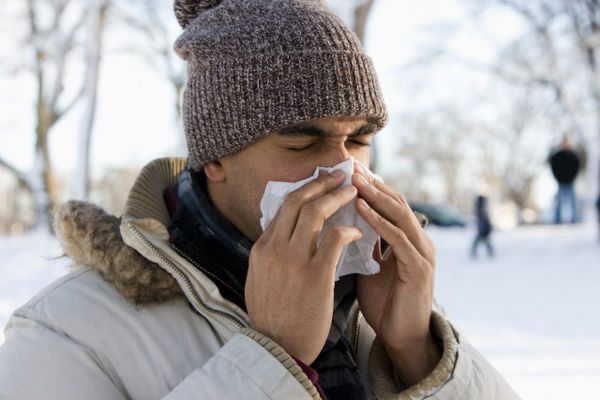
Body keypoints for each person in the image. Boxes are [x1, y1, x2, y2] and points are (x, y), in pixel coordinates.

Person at [0, 1, 519, 399]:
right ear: (216, 157)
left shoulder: (379, 301)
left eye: (359, 140)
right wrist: (272, 359)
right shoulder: (67, 332)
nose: (343, 169)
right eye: (302, 142)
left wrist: (417, 351)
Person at [549, 136, 580, 224]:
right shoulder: (557, 156)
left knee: (573, 200)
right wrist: (557, 177)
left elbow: (576, 167)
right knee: (558, 201)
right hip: (560, 181)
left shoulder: (573, 156)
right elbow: (553, 166)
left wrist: (573, 177)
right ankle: (557, 220)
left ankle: (574, 220)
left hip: (570, 181)